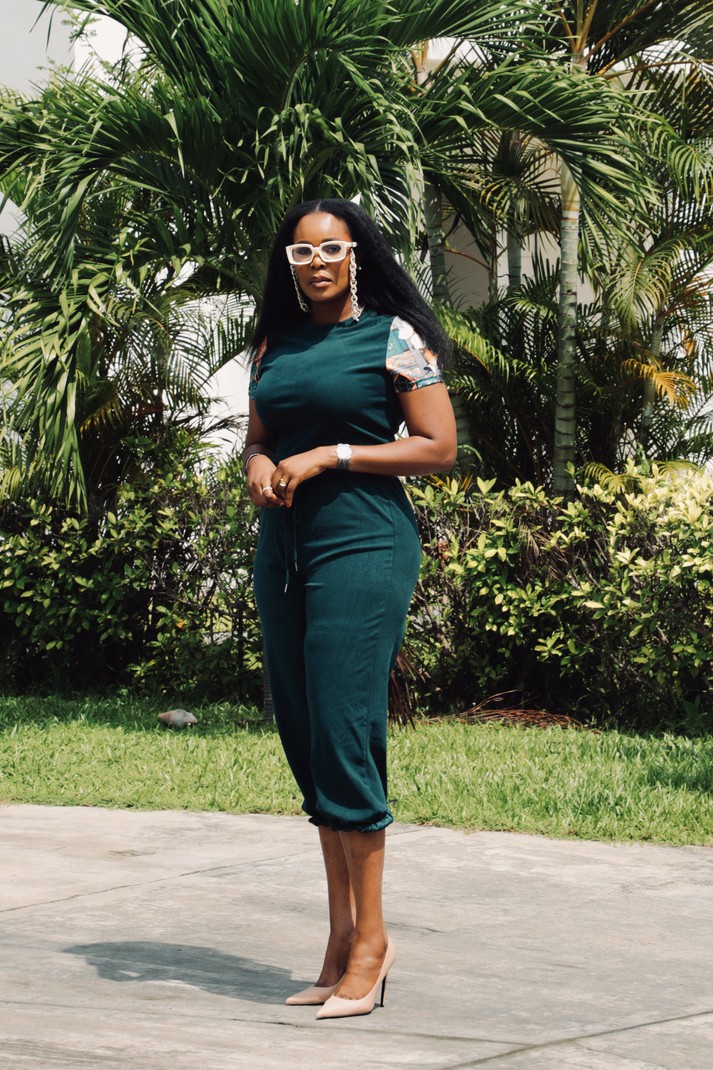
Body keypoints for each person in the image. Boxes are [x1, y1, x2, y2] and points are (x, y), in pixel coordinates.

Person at [243, 198, 456, 1020]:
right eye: (302, 253)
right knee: (306, 735)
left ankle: (373, 943)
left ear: (356, 255)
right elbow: (260, 438)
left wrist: (331, 455)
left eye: (331, 249)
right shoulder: (273, 343)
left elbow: (436, 447)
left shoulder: (394, 338)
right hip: (283, 554)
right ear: (289, 265)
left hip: (363, 546)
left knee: (343, 728)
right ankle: (339, 940)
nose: (317, 263)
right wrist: (258, 463)